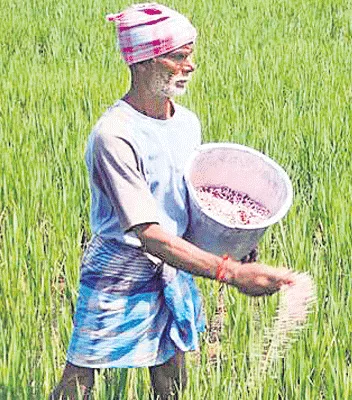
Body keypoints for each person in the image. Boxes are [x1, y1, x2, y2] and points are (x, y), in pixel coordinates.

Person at [50, 3, 294, 399]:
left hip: (174, 264)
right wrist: (228, 273)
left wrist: (237, 245)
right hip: (121, 267)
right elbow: (148, 232)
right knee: (82, 373)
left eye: (190, 54)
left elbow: (190, 203)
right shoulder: (114, 135)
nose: (190, 65)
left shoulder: (186, 123)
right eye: (179, 56)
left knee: (171, 372)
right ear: (144, 61)